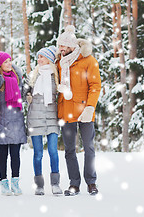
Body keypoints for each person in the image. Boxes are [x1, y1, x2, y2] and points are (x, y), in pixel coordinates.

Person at [56, 25, 101, 196]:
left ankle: (91, 182)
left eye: (64, 46)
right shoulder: (59, 62)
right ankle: (74, 184)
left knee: (88, 147)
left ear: (72, 46)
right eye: (60, 46)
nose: (61, 49)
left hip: (84, 111)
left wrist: (90, 107)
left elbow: (95, 86)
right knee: (69, 150)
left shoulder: (88, 60)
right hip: (66, 110)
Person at [24, 46, 63, 195]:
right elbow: (24, 92)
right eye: (38, 57)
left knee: (53, 151)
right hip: (35, 118)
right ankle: (39, 185)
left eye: (42, 57)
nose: (39, 60)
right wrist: (27, 95)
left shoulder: (56, 76)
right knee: (38, 154)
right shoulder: (33, 76)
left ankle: (55, 183)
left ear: (50, 59)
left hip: (52, 118)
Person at [0, 51, 27, 196]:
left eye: (10, 60)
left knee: (16, 154)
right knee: (3, 154)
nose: (9, 63)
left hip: (16, 120)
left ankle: (15, 183)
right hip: (2, 121)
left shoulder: (16, 77)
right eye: (6, 62)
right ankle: (4, 183)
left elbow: (23, 96)